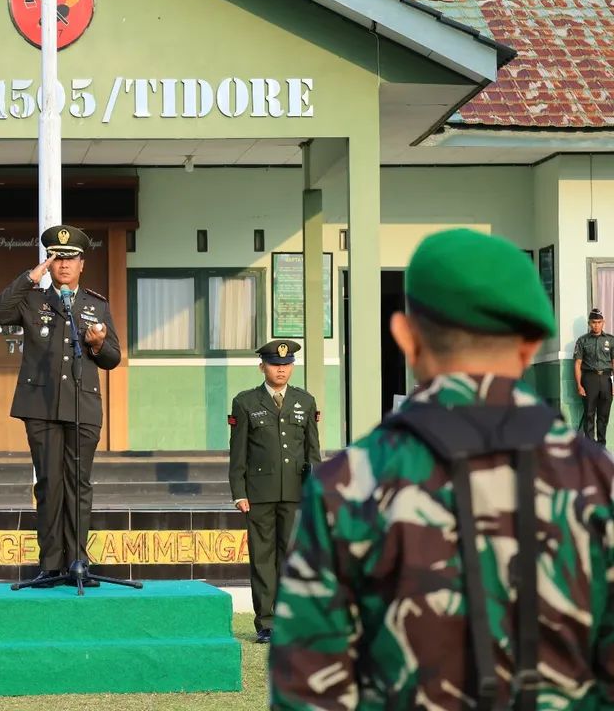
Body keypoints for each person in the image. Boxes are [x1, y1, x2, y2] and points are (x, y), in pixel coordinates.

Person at [270, 228, 614, 710]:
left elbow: (307, 693)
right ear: (532, 343)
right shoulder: (597, 482)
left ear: (405, 339)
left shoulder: (347, 486)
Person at [0, 224, 120, 588]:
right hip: (41, 406)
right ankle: (50, 565)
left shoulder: (97, 305)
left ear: (82, 264)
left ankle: (78, 561)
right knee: (49, 484)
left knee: (79, 484)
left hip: (83, 407)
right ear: (50, 262)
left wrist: (96, 344)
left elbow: (113, 358)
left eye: (70, 258)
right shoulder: (33, 300)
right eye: (57, 258)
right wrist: (30, 277)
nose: (63, 265)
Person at [228, 339, 320, 644]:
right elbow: (238, 452)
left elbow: (312, 452)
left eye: (286, 365)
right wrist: (239, 491)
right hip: (259, 493)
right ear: (262, 367)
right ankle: (266, 623)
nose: (281, 370)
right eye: (275, 365)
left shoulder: (305, 402)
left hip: (296, 492)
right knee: (262, 558)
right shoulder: (246, 402)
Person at [573, 308, 614, 445]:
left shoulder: (610, 340)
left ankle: (601, 447)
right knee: (589, 414)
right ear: (589, 323)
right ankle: (590, 448)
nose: (596, 325)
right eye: (593, 322)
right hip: (589, 379)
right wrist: (579, 385)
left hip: (607, 379)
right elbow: (578, 364)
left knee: (603, 416)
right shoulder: (582, 341)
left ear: (603, 323)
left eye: (599, 322)